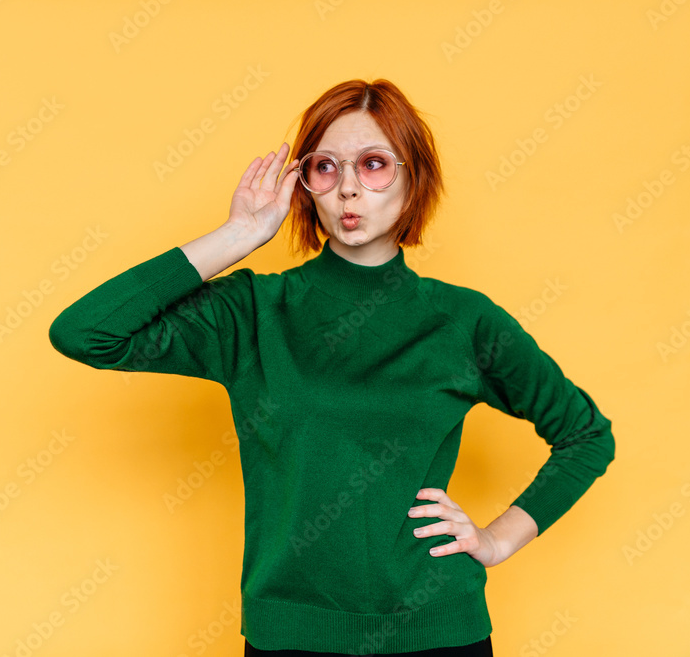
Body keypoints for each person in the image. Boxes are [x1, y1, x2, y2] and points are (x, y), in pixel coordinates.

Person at [48, 79, 615, 656]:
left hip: (438, 633)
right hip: (291, 637)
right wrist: (238, 235)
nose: (348, 189)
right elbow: (85, 333)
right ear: (304, 184)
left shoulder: (462, 321)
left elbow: (586, 435)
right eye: (326, 167)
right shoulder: (253, 313)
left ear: (413, 177)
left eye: (373, 165)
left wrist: (495, 541)